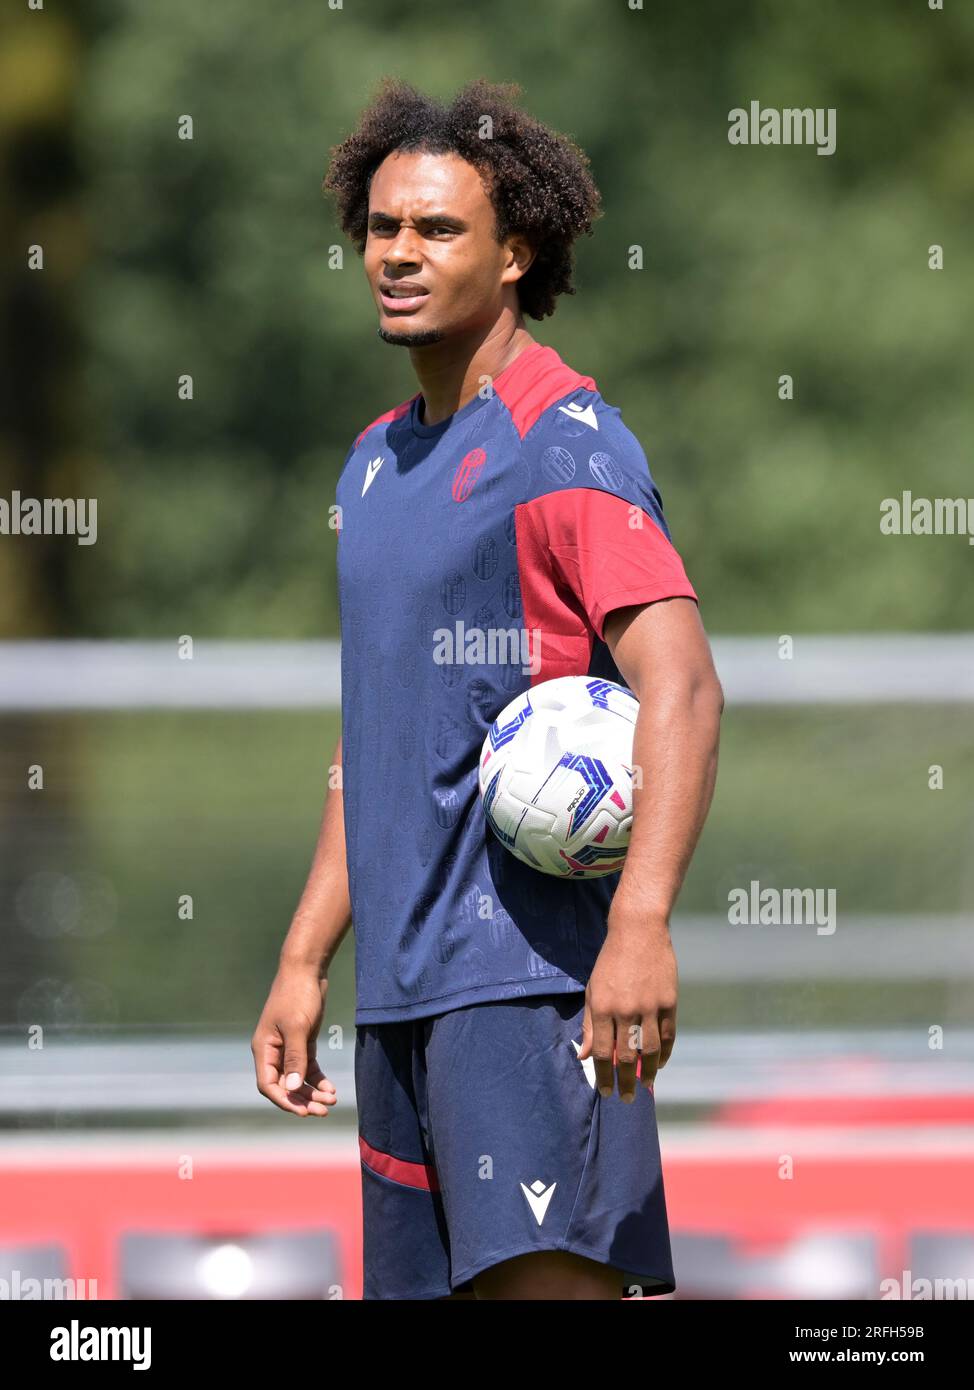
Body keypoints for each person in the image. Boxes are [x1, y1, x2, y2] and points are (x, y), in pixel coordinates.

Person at [252, 77, 723, 1301]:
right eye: (380, 228)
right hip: (399, 995)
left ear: (515, 253)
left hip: (529, 988)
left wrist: (638, 924)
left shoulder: (564, 446)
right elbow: (377, 737)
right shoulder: (372, 463)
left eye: (437, 230)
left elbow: (678, 688)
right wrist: (307, 956)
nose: (396, 253)